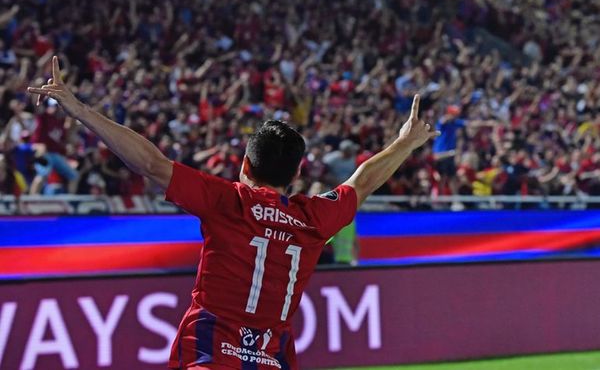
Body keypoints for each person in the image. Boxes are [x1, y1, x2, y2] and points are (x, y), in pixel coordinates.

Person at [28, 57, 439, 369]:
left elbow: (151, 164)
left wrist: (79, 109)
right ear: (298, 172)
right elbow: (362, 181)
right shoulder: (315, 218)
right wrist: (405, 143)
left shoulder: (229, 200)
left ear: (244, 165)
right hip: (271, 359)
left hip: (209, 352)